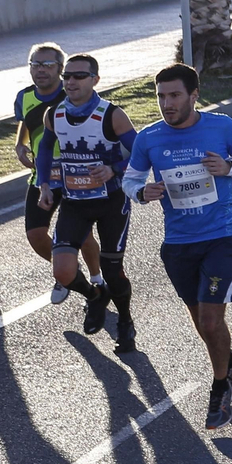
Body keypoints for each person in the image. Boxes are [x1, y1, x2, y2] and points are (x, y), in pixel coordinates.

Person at [123, 64, 232, 430]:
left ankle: (220, 388)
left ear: (193, 95)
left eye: (174, 95)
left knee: (211, 319)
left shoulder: (221, 126)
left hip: (221, 236)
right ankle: (227, 360)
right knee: (202, 321)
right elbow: (131, 178)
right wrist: (141, 192)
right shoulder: (148, 138)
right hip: (178, 242)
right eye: (161, 96)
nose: (167, 103)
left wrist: (229, 167)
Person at [34, 54, 139, 347]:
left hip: (111, 203)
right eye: (67, 76)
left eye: (79, 76)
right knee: (63, 271)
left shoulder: (112, 115)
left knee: (112, 270)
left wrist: (113, 169)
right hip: (74, 202)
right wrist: (45, 184)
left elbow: (141, 153)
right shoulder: (54, 114)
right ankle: (95, 295)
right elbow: (45, 150)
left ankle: (125, 320)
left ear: (95, 80)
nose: (70, 81)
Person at [15, 43, 102, 300]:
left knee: (83, 236)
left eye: (47, 65)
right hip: (42, 178)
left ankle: (97, 279)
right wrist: (19, 144)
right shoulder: (23, 97)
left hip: (74, 177)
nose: (40, 70)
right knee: (35, 234)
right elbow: (26, 122)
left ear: (60, 69)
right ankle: (68, 274)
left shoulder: (72, 95)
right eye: (35, 65)